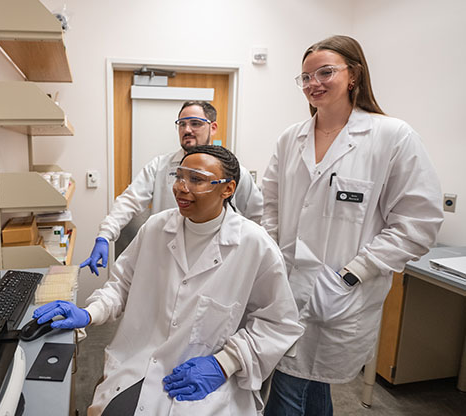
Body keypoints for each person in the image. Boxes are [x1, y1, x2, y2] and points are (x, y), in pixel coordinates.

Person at [34, 145, 303, 415]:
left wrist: (224, 363)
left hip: (210, 382)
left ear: (228, 189)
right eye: (179, 176)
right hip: (139, 362)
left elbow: (279, 324)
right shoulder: (155, 228)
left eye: (196, 179)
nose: (181, 187)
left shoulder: (255, 245)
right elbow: (120, 286)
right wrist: (89, 312)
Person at [262, 35, 444, 415]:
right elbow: (271, 204)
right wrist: (273, 257)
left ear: (354, 75)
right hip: (286, 286)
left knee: (291, 388)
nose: (314, 83)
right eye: (306, 76)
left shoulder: (391, 136)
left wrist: (352, 273)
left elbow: (418, 222)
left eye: (325, 72)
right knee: (304, 383)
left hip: (345, 292)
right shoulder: (289, 139)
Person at [80, 101, 264, 275]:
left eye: (195, 123)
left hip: (218, 261)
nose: (187, 130)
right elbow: (129, 201)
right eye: (182, 124)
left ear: (213, 127)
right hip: (167, 256)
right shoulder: (159, 166)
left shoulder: (234, 172)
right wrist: (105, 234)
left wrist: (251, 256)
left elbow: (256, 218)